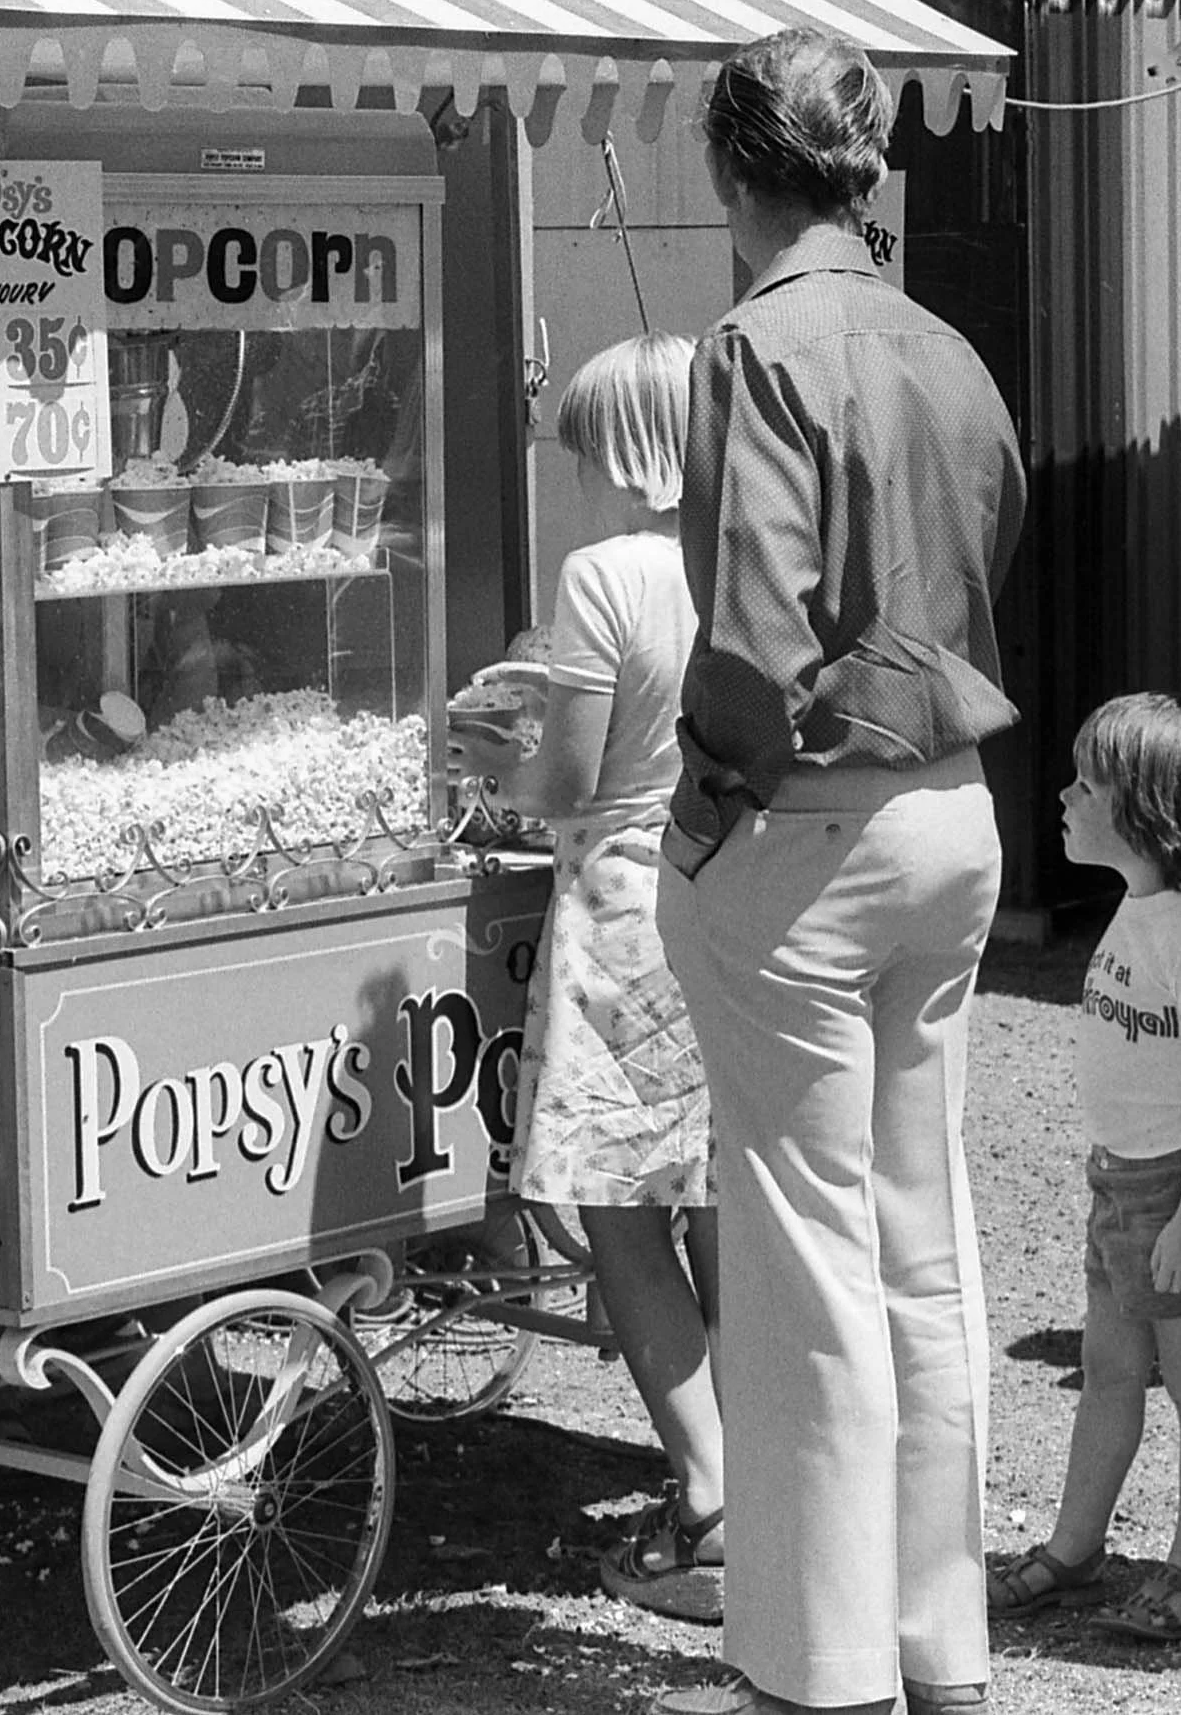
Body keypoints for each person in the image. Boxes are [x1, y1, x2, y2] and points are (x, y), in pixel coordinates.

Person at [651, 28, 1026, 1715]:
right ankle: (939, 1644)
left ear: (732, 169)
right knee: (921, 1243)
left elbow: (753, 629)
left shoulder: (754, 343)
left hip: (805, 818)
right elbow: (990, 540)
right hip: (948, 802)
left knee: (807, 1260)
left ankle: (821, 1669)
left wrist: (713, 788)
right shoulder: (943, 339)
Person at [445, 334, 726, 1622]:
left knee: (620, 1206)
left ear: (623, 452)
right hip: (723, 889)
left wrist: (485, 760)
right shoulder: (739, 561)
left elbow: (566, 780)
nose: (574, 479)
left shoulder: (602, 574)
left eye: (579, 454)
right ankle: (770, 1479)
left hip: (619, 908)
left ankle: (710, 1498)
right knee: (718, 1196)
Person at [985, 692, 1181, 1644]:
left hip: (1172, 1194)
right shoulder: (1137, 913)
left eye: (1086, 785)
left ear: (1143, 808)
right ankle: (1075, 1550)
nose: (1063, 796)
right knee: (1108, 1372)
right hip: (1118, 1186)